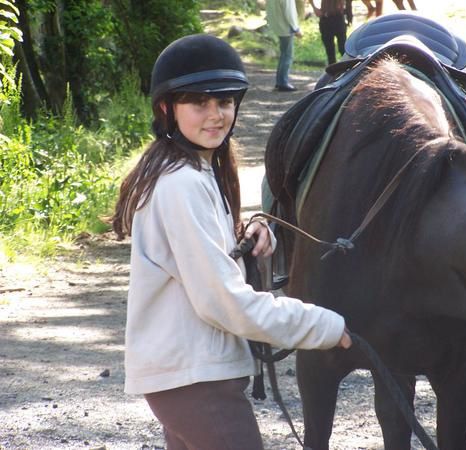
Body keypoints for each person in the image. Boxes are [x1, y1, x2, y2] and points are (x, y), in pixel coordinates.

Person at [112, 34, 352, 449]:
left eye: (224, 102)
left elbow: (195, 253)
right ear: (168, 108)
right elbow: (225, 301)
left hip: (188, 377)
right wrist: (325, 324)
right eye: (199, 103)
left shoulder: (192, 172)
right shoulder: (180, 183)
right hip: (194, 381)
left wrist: (243, 234)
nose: (215, 115)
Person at [266, 0, 303, 91]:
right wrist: (296, 28)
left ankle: (280, 81)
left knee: (284, 54)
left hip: (278, 26)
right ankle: (283, 82)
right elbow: (289, 12)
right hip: (286, 28)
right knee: (287, 55)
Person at [309, 0, 353, 65]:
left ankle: (348, 69)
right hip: (326, 18)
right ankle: (333, 71)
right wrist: (314, 8)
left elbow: (349, 2)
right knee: (330, 51)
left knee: (343, 48)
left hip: (339, 18)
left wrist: (349, 17)